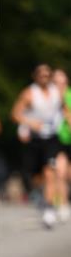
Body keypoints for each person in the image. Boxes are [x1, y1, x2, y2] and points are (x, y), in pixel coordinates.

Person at [11, 64, 63, 228]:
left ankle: (48, 209)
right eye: (41, 75)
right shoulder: (29, 93)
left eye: (47, 75)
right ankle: (40, 196)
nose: (44, 77)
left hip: (51, 138)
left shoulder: (57, 92)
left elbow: (64, 109)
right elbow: (15, 114)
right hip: (34, 140)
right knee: (33, 175)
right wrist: (29, 123)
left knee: (50, 171)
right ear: (35, 77)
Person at [52, 68, 70, 222]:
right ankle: (63, 205)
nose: (59, 84)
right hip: (58, 139)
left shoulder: (70, 95)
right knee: (60, 172)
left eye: (61, 81)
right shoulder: (50, 97)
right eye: (55, 81)